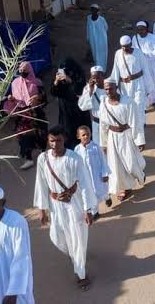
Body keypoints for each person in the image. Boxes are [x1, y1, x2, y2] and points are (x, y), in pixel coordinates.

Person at [33, 125, 96, 291]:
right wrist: (42, 209)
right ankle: (76, 255)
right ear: (48, 140)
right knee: (57, 236)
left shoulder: (74, 158)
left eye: (58, 140)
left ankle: (81, 274)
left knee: (78, 236)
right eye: (52, 140)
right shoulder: (42, 159)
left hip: (73, 204)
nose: (55, 144)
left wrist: (88, 209)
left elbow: (85, 185)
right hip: (55, 206)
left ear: (65, 140)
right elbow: (41, 184)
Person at [99, 79, 147, 202]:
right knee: (116, 166)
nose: (108, 91)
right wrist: (104, 143)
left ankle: (140, 174)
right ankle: (126, 188)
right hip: (112, 137)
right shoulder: (104, 103)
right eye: (106, 89)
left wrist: (139, 140)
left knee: (130, 164)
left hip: (126, 136)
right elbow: (103, 124)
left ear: (116, 87)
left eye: (111, 88)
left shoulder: (128, 102)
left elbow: (135, 123)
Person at [3, 61, 47, 170]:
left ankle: (43, 153)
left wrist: (38, 98)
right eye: (21, 71)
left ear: (30, 71)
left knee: (40, 134)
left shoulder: (37, 83)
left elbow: (45, 99)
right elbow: (15, 99)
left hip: (36, 114)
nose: (23, 73)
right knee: (23, 136)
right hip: (22, 115)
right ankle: (28, 159)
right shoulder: (15, 83)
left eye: (25, 71)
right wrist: (11, 99)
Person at [110, 35, 152, 128]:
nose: (125, 48)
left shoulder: (138, 53)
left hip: (138, 83)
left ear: (131, 44)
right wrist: (115, 84)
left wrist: (148, 86)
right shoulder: (118, 54)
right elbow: (115, 70)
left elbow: (145, 69)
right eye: (122, 46)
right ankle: (131, 123)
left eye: (127, 46)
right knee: (127, 104)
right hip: (124, 85)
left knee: (139, 103)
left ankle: (141, 123)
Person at [51, 58, 90, 150]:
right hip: (65, 113)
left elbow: (79, 91)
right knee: (67, 135)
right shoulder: (60, 80)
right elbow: (53, 92)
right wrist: (56, 82)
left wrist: (70, 81)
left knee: (80, 134)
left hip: (78, 113)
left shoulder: (79, 78)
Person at [74, 126, 111, 218]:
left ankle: (107, 197)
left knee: (102, 189)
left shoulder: (95, 146)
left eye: (88, 134)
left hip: (97, 175)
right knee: (91, 193)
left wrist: (105, 173)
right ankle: (95, 212)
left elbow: (103, 160)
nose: (86, 136)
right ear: (78, 137)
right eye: (83, 135)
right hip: (86, 177)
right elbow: (75, 164)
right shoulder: (77, 150)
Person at [132, 21, 155, 108]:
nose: (140, 31)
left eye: (142, 29)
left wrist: (146, 55)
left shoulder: (152, 38)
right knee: (144, 83)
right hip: (140, 65)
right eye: (139, 30)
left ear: (146, 29)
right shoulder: (134, 38)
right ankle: (147, 102)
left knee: (154, 82)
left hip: (151, 64)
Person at [77, 66, 106, 144]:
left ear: (103, 75)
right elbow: (82, 106)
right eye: (93, 78)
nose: (96, 80)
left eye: (98, 77)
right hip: (97, 124)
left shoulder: (110, 86)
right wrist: (90, 91)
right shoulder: (88, 88)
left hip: (111, 123)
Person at [86, 4, 108, 71]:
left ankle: (102, 70)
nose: (93, 11)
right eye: (92, 10)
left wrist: (101, 35)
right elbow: (87, 28)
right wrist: (88, 38)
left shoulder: (102, 19)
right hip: (93, 40)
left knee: (102, 54)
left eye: (94, 10)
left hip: (102, 40)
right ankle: (97, 69)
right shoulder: (89, 18)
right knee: (95, 53)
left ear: (97, 11)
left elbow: (106, 28)